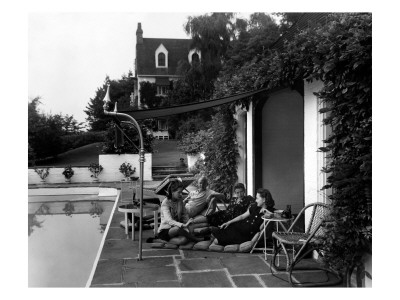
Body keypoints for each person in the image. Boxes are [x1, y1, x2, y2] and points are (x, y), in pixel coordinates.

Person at [211, 188, 275, 246]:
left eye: (257, 198)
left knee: (217, 240)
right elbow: (242, 216)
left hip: (245, 235)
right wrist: (229, 222)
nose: (256, 200)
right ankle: (212, 231)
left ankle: (213, 232)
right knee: (220, 231)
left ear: (264, 199)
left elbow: (261, 229)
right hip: (240, 227)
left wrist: (267, 215)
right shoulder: (255, 206)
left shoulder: (270, 212)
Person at [156, 179, 203, 243]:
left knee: (186, 236)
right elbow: (169, 221)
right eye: (179, 192)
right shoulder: (165, 203)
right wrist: (183, 225)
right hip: (166, 230)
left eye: (181, 192)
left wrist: (188, 224)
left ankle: (189, 236)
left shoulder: (180, 200)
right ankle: (195, 239)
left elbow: (185, 214)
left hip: (178, 226)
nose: (181, 194)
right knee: (178, 230)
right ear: (172, 192)